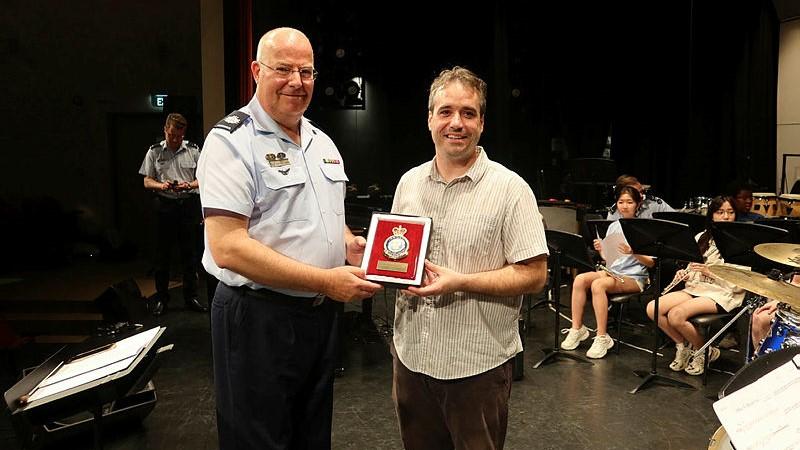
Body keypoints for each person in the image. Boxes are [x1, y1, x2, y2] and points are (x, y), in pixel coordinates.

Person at [196, 27, 381, 450]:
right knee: (259, 440)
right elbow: (228, 247)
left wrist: (348, 244)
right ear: (256, 71)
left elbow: (324, 218)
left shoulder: (321, 142)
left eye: (307, 71)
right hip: (257, 318)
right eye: (284, 69)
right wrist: (326, 281)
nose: (297, 82)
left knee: (311, 437)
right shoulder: (231, 142)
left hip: (317, 319)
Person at [390, 66, 548, 450]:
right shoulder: (408, 183)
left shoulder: (511, 189)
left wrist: (461, 281)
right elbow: (397, 257)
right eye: (445, 111)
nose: (455, 123)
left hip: (476, 368)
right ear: (430, 119)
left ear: (481, 123)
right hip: (411, 360)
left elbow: (535, 275)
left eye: (468, 113)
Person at [645, 196, 745, 375]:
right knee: (653, 308)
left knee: (676, 315)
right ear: (712, 215)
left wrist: (710, 272)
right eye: (720, 212)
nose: (725, 217)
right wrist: (684, 273)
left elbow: (741, 280)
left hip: (723, 292)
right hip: (696, 287)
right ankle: (683, 346)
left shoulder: (741, 243)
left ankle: (704, 351)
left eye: (730, 212)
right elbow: (693, 266)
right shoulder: (701, 237)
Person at [562, 185, 655, 358]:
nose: (624, 206)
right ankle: (577, 329)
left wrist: (633, 251)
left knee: (598, 285)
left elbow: (650, 263)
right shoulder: (614, 226)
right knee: (580, 279)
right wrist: (601, 250)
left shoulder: (644, 228)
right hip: (614, 272)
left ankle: (602, 336)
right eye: (621, 202)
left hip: (634, 277)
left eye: (629, 202)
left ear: (638, 204)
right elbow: (610, 259)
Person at [138, 113, 206, 316]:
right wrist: (162, 185)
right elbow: (146, 181)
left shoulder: (193, 150)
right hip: (164, 205)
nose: (175, 140)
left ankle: (191, 297)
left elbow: (204, 178)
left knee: (190, 254)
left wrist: (189, 185)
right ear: (165, 130)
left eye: (179, 136)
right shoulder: (154, 151)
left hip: (188, 205)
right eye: (172, 135)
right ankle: (161, 299)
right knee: (162, 256)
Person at [606, 174, 674, 219]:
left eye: (642, 191)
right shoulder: (615, 211)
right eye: (636, 193)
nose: (641, 195)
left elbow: (676, 220)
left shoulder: (656, 204)